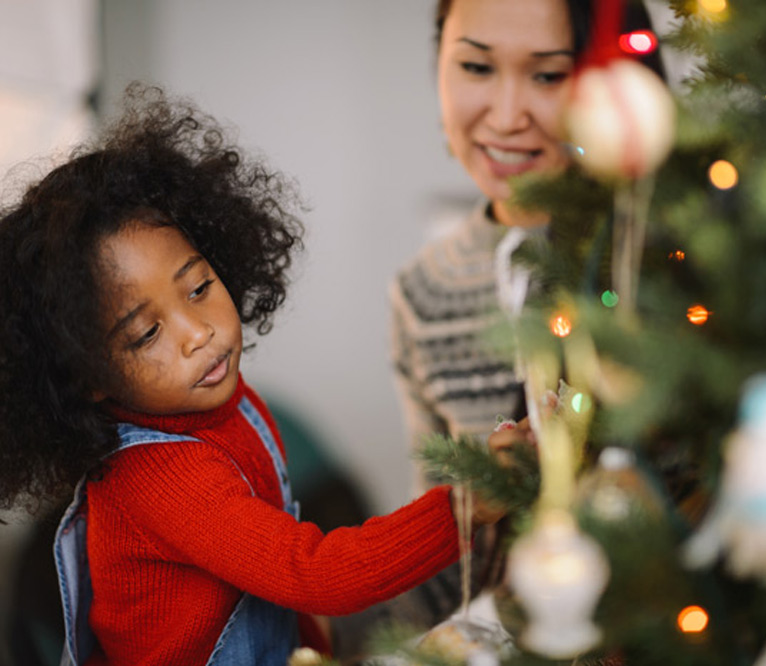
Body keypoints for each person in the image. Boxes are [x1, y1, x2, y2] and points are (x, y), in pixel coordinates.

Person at [0, 84, 505, 666]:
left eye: (198, 288)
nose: (197, 332)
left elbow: (279, 585)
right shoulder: (160, 481)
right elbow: (313, 575)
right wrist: (464, 507)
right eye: (147, 333)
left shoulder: (222, 403)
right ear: (87, 374)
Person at [383, 0, 669, 643]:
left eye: (548, 75)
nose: (507, 116)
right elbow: (437, 562)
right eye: (476, 67)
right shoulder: (423, 292)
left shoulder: (674, 260)